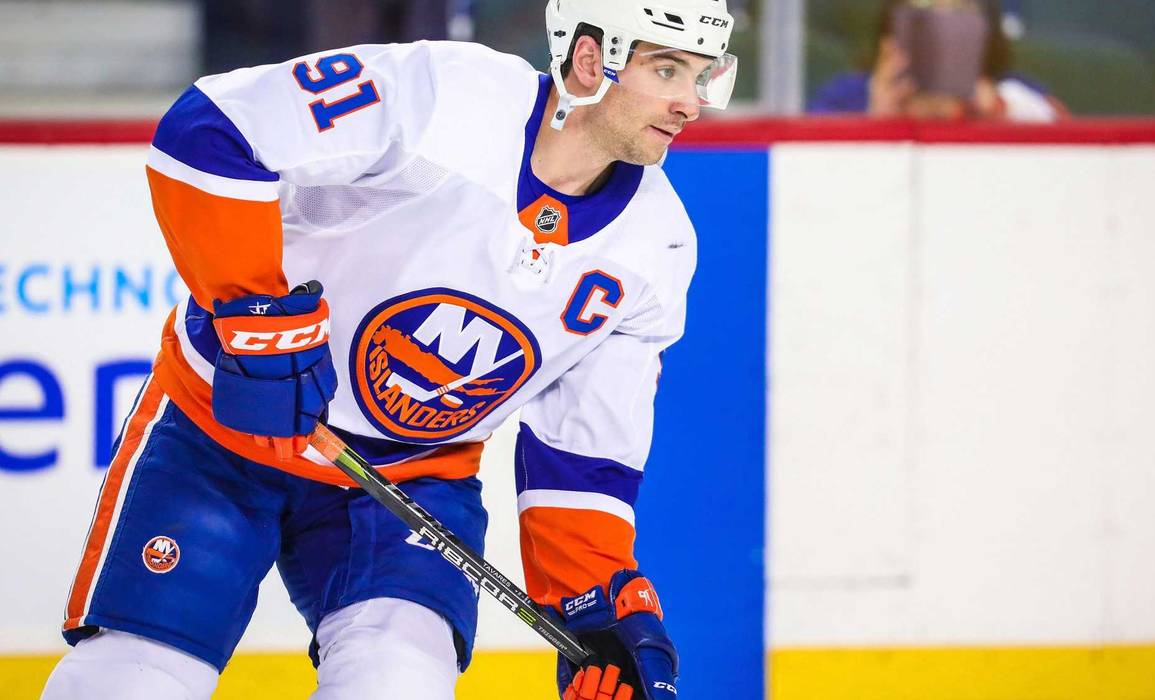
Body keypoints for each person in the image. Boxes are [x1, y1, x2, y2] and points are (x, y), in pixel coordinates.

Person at [40, 1, 738, 698]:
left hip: (411, 484)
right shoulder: (446, 95)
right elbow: (212, 129)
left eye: (704, 75)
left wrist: (592, 600)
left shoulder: (658, 248)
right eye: (667, 69)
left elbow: (579, 459)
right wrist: (251, 311)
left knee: (396, 684)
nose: (690, 102)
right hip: (219, 435)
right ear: (590, 59)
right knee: (131, 679)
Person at [812, 0, 1064, 122]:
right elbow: (802, 167)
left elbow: (1074, 149)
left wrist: (997, 109)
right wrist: (877, 119)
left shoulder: (1010, 91)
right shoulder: (848, 93)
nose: (939, 35)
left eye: (957, 13)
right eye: (924, 13)